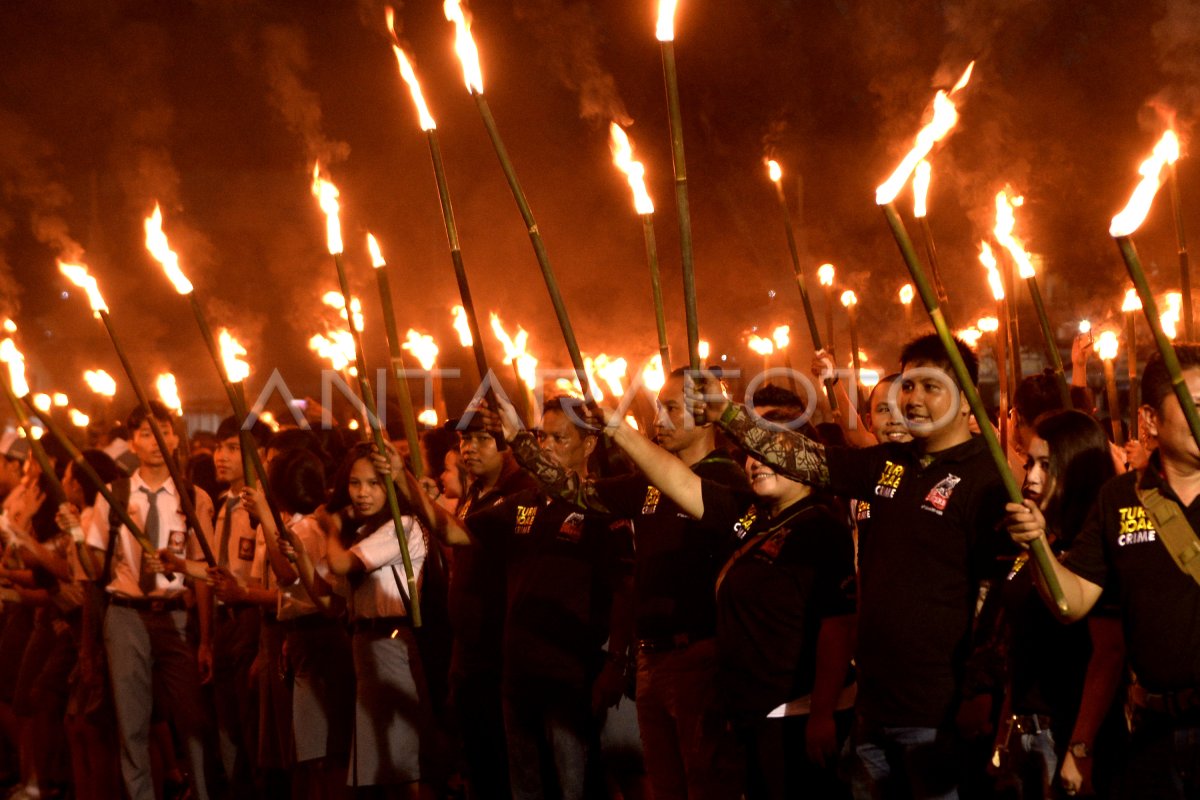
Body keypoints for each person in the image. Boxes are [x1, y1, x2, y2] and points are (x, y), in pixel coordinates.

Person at [693, 334, 1011, 799]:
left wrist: (979, 690)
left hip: (938, 715)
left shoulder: (989, 477)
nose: (913, 400)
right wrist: (727, 415)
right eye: (907, 386)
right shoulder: (886, 464)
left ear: (967, 400)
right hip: (873, 710)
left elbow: (995, 590)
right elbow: (806, 459)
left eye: (929, 386)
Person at [496, 369, 748, 800]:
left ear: (707, 416)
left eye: (671, 409)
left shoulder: (726, 479)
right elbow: (576, 493)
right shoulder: (645, 485)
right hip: (652, 662)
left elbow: (684, 488)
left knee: (707, 785)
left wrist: (618, 428)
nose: (658, 420)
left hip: (700, 659)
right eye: (657, 409)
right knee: (665, 787)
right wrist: (520, 440)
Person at [593, 402, 858, 799]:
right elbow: (677, 481)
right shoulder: (749, 515)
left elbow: (837, 627)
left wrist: (821, 714)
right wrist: (619, 429)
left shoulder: (821, 528)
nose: (755, 462)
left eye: (770, 452)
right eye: (751, 452)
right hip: (751, 710)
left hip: (797, 711)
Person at [399, 396, 635, 800]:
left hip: (571, 677)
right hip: (518, 676)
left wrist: (616, 664)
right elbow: (456, 533)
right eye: (541, 437)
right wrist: (402, 479)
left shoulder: (601, 505)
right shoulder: (524, 504)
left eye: (559, 439)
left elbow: (625, 588)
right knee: (525, 787)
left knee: (574, 785)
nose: (545, 447)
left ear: (589, 444)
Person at [1006, 347, 1200, 798]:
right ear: (1150, 419)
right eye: (1194, 405)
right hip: (1154, 734)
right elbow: (1071, 603)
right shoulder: (1117, 498)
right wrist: (1036, 543)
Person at [84, 401, 215, 800]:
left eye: (163, 431)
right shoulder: (115, 495)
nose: (156, 441)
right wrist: (76, 532)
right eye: (145, 433)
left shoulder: (193, 497)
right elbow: (94, 566)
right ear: (132, 443)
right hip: (126, 615)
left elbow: (207, 572)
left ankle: (204, 792)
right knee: (133, 722)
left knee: (193, 719)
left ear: (175, 437)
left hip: (176, 615)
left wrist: (207, 638)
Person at [988, 410, 1124, 798]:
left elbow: (1108, 654)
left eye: (1047, 466)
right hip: (1027, 730)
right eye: (1030, 462)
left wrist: (1080, 748)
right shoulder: (1038, 538)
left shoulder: (1093, 549)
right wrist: (1003, 732)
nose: (1030, 476)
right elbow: (1021, 645)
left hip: (1071, 732)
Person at [320, 442, 437, 797]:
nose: (362, 493)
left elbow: (341, 565)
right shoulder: (364, 533)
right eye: (355, 483)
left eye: (374, 483)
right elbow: (333, 599)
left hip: (392, 643)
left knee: (402, 760)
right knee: (382, 760)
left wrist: (330, 527)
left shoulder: (401, 527)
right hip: (367, 646)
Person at [245, 447, 354, 800]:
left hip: (320, 638)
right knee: (311, 747)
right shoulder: (308, 524)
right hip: (304, 637)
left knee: (322, 749)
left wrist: (264, 515)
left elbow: (287, 574)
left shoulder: (306, 528)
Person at [446, 414, 537, 800]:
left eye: (482, 439)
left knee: (508, 766)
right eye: (465, 440)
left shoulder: (523, 490)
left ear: (508, 446)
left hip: (500, 652)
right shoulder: (473, 493)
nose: (468, 448)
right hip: (469, 653)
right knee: (480, 759)